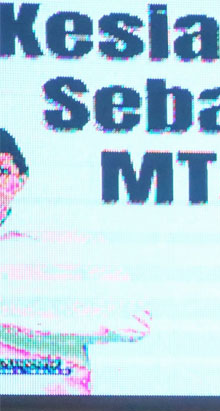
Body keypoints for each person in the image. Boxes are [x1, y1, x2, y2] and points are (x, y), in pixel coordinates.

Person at [0, 128, 150, 395]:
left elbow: (135, 319)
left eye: (2, 172)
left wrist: (27, 322)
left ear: (21, 180)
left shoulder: (65, 241)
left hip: (54, 407)